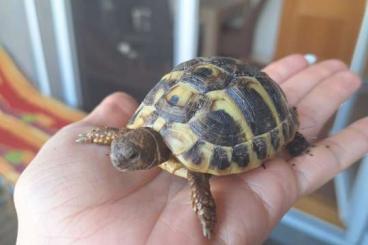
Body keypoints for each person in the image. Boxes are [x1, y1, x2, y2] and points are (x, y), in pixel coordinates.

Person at [14, 54, 367, 245]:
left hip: (249, 100)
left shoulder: (193, 167)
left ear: (149, 155)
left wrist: (206, 213)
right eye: (124, 151)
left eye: (130, 156)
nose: (121, 161)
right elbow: (122, 138)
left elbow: (201, 185)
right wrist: (101, 137)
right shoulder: (135, 133)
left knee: (287, 144)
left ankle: (290, 133)